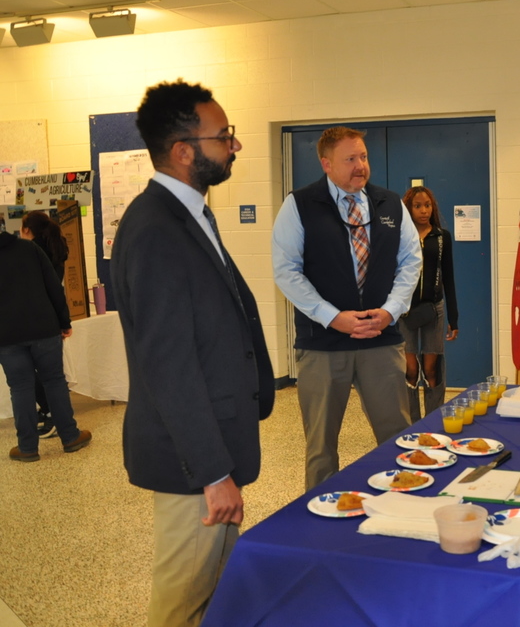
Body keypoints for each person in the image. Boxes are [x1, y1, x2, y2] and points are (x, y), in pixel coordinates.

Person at [111, 80, 275, 627]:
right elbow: (169, 367)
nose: (234, 145)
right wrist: (211, 474)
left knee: (218, 595)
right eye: (223, 136)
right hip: (191, 465)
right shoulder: (156, 229)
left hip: (214, 450)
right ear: (184, 151)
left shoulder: (189, 215)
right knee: (181, 603)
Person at [272, 126, 422, 491]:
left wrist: (390, 311)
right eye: (350, 159)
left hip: (380, 341)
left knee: (397, 438)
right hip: (322, 344)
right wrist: (331, 317)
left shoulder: (389, 204)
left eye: (364, 157)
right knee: (321, 447)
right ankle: (321, 519)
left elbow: (410, 261)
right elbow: (286, 271)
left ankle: (403, 504)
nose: (361, 166)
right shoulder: (300, 205)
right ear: (326, 163)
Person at [0, 230, 90, 462]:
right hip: (43, 328)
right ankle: (70, 437)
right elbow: (53, 286)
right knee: (54, 382)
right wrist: (64, 322)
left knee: (20, 388)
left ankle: (27, 447)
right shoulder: (29, 249)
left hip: (6, 336)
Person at [398, 186, 459, 422]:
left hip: (434, 310)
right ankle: (411, 425)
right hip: (405, 312)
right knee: (410, 371)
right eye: (417, 206)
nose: (423, 211)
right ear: (409, 209)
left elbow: (449, 278)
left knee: (432, 370)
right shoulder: (401, 237)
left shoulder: (442, 237)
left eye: (427, 205)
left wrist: (454, 319)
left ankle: (433, 423)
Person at [20, 209, 70, 439]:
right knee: (51, 376)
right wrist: (63, 321)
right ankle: (61, 422)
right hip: (49, 319)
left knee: (28, 373)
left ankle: (50, 413)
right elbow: (56, 290)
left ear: (26, 229)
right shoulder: (56, 248)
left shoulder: (29, 252)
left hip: (30, 319)